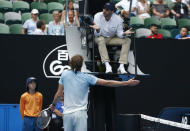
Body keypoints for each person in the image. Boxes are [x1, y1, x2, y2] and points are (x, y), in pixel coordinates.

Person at [52, 55, 140, 131]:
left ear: (70, 64)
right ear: (81, 64)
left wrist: (53, 105)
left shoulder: (64, 74)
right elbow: (107, 83)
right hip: (80, 114)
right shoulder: (87, 77)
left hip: (67, 114)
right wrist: (127, 83)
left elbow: (59, 94)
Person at [90, 2, 134, 74]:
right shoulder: (97, 16)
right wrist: (97, 30)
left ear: (112, 11)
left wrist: (124, 33)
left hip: (112, 38)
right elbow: (97, 34)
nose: (104, 11)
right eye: (104, 8)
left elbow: (119, 34)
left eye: (107, 9)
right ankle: (107, 66)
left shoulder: (118, 19)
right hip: (100, 37)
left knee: (127, 40)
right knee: (100, 39)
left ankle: (121, 66)